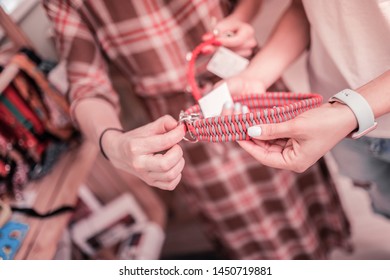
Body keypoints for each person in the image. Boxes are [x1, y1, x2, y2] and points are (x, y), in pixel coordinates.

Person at [43, 0, 350, 259]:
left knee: (301, 191)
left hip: (252, 91)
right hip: (190, 134)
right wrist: (111, 143)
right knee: (254, 231)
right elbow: (85, 83)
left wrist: (238, 19)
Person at [231, 0, 390, 218]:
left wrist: (346, 112)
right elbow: (309, 8)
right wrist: (254, 77)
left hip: (338, 118)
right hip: (335, 124)